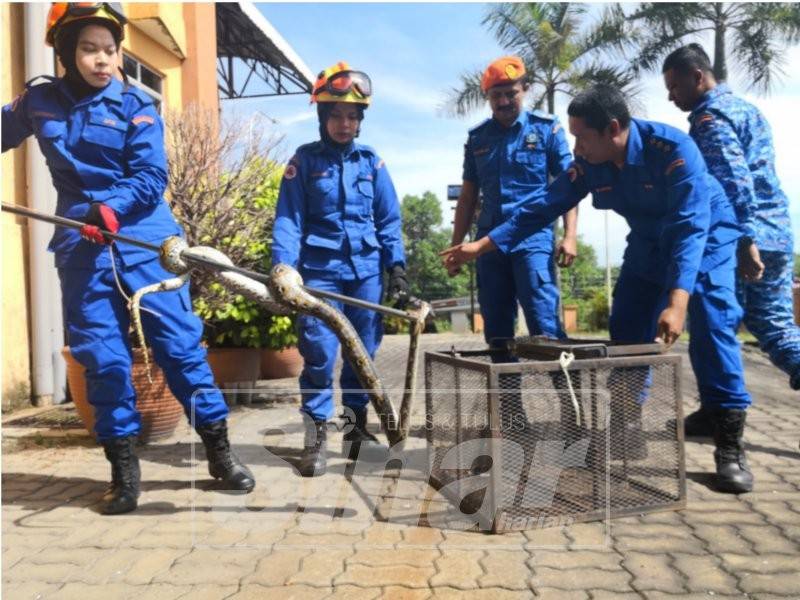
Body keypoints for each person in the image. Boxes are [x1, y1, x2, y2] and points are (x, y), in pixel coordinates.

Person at [1, 3, 254, 515]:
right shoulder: (39, 102)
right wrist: (91, 215)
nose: (102, 60)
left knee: (180, 349)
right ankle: (123, 472)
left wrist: (109, 209)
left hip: (144, 239)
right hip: (82, 245)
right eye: (90, 49)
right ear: (66, 52)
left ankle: (219, 454)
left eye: (111, 50)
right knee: (103, 357)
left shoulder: (137, 105)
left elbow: (150, 177)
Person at [441, 84, 754, 494]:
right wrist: (480, 246)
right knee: (626, 327)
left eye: (582, 138)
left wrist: (678, 302)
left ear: (612, 130)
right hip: (647, 245)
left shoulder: (674, 149)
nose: (577, 147)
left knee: (712, 327)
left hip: (707, 239)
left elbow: (690, 228)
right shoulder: (590, 164)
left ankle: (729, 445)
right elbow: (543, 204)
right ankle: (625, 424)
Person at [272, 62, 408, 477]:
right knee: (318, 355)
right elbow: (289, 219)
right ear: (322, 117)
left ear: (360, 121)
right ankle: (314, 438)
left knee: (361, 355)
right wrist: (283, 267)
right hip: (319, 274)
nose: (344, 123)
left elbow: (388, 220)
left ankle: (354, 434)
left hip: (365, 273)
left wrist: (396, 266)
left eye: (352, 116)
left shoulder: (372, 163)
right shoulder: (304, 162)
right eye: (336, 115)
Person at [662, 43, 800, 434]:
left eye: (674, 87)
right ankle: (712, 409)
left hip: (741, 239)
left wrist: (744, 240)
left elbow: (732, 180)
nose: (672, 96)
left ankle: (722, 412)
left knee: (713, 322)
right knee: (775, 325)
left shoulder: (710, 118)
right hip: (776, 230)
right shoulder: (745, 108)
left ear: (697, 77)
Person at [449, 56, 577, 358]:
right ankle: (509, 406)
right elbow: (467, 198)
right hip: (487, 244)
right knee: (497, 334)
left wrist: (570, 235)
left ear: (525, 90)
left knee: (545, 329)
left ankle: (570, 405)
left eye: (511, 93)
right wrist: (456, 247)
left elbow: (569, 185)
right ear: (488, 97)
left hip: (532, 240)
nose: (504, 101)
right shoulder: (477, 138)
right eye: (497, 95)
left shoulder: (547, 129)